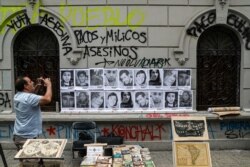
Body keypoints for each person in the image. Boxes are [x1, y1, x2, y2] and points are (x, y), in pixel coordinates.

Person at [13, 76, 52, 150]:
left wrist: (37, 86)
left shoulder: (17, 96)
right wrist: (49, 85)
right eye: (30, 82)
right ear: (25, 86)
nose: (33, 82)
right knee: (31, 159)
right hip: (27, 137)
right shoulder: (28, 98)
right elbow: (47, 99)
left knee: (24, 159)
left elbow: (31, 96)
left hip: (19, 135)